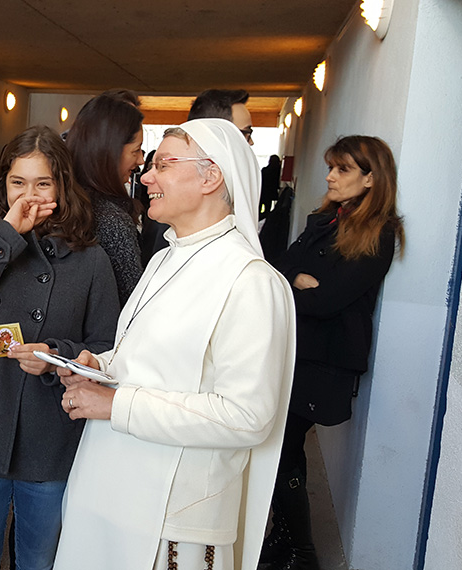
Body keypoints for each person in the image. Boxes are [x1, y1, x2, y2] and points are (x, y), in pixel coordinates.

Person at [53, 119, 296, 570]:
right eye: (149, 165)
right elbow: (155, 360)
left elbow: (246, 417)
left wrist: (115, 404)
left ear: (211, 175)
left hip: (175, 517)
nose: (145, 177)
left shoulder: (250, 282)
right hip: (111, 482)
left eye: (163, 164)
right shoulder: (165, 256)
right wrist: (99, 365)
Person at [0, 125, 120, 570]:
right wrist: (5, 235)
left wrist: (55, 354)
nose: (29, 196)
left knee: (40, 561)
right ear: (4, 185)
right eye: (18, 183)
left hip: (50, 435)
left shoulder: (90, 259)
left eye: (42, 183)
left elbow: (107, 347)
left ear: (61, 186)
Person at [260, 136, 404, 570]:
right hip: (297, 350)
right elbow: (279, 269)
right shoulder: (324, 218)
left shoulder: (379, 232)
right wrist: (298, 280)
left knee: (279, 447)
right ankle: (284, 542)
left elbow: (329, 301)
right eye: (331, 167)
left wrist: (300, 284)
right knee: (279, 448)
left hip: (325, 362)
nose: (329, 177)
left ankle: (300, 551)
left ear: (370, 177)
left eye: (341, 169)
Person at [144, 88, 256, 261]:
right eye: (245, 133)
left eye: (163, 166)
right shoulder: (164, 250)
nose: (250, 143)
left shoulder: (250, 275)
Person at [66, 89, 146, 306]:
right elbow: (132, 305)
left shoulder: (66, 199)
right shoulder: (111, 221)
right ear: (109, 153)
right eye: (136, 150)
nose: (140, 160)